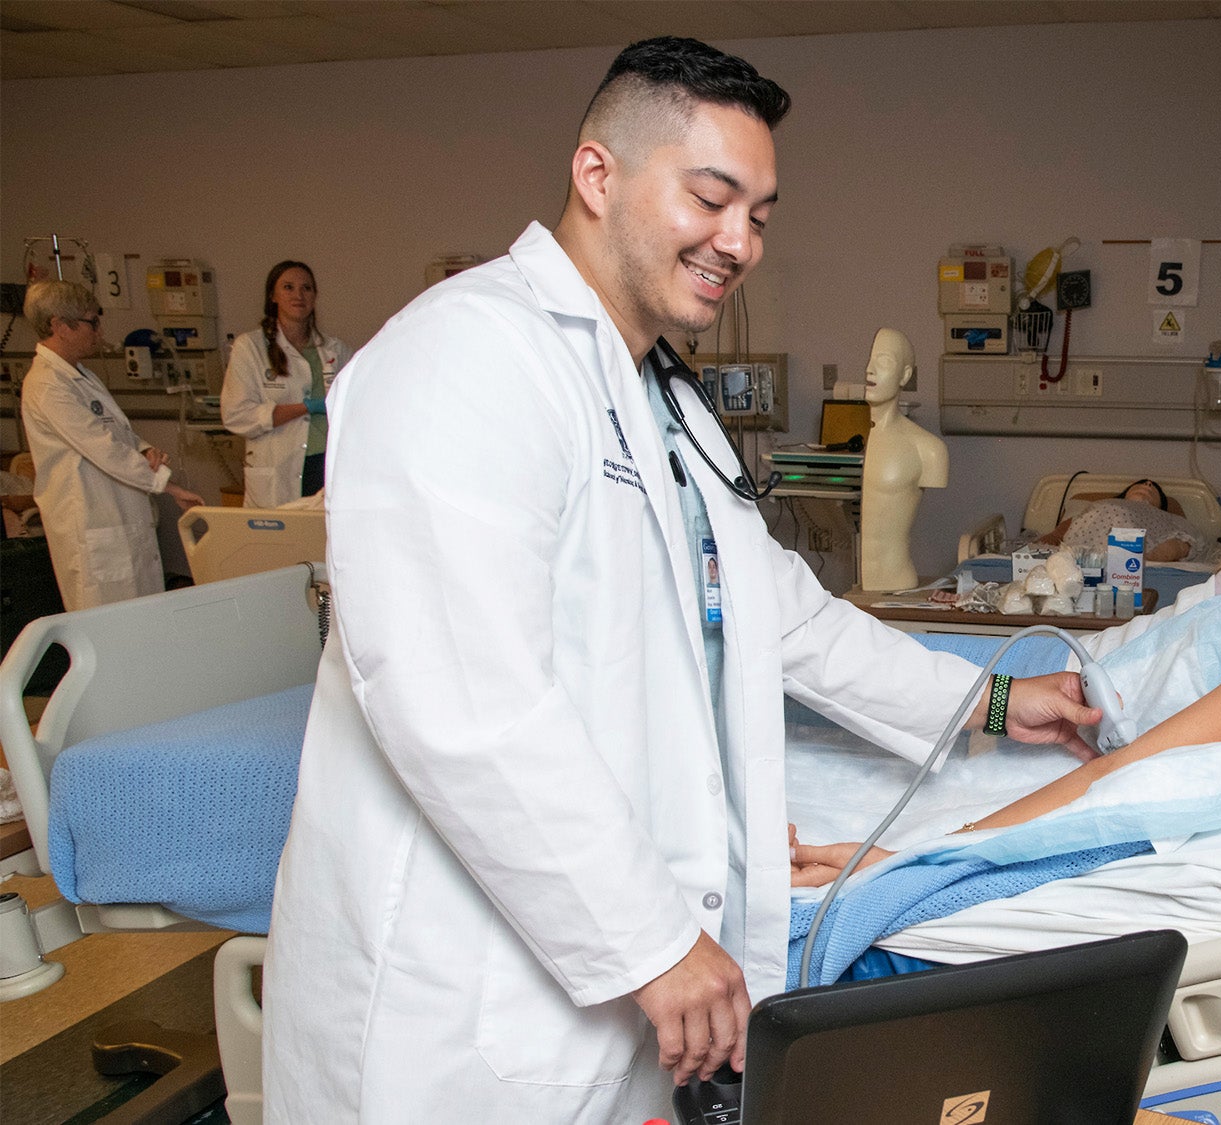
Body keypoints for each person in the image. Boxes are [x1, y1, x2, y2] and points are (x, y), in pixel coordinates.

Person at [261, 37, 1100, 1124]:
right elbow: (463, 701)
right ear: (596, 174)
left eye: (760, 214)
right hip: (460, 1010)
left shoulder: (662, 398)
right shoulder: (465, 359)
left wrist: (987, 698)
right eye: (710, 199)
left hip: (610, 1006)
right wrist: (651, 939)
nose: (739, 241)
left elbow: (782, 617)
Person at [795, 350, 1221, 882]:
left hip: (1079, 747)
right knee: (814, 669)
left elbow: (1136, 771)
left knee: (807, 732)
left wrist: (914, 860)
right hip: (1064, 699)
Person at [18, 280, 204, 610]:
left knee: (142, 618)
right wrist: (169, 487)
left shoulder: (82, 376)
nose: (100, 331)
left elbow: (117, 431)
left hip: (120, 517)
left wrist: (145, 450)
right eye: (92, 322)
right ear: (59, 326)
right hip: (91, 523)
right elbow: (103, 448)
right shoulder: (48, 384)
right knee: (109, 625)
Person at [221, 260, 349, 506]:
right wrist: (304, 408)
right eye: (288, 287)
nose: (298, 295)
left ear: (315, 296)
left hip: (325, 464)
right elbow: (236, 416)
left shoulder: (335, 349)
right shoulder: (250, 347)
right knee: (280, 530)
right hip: (277, 467)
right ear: (273, 296)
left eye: (306, 288)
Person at [857, 326, 946, 590]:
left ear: (905, 375)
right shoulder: (871, 439)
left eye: (883, 361)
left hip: (896, 581)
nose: (869, 370)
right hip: (864, 587)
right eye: (870, 360)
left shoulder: (928, 449)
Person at [1038, 477, 1210, 563]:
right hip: (1083, 556)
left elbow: (1185, 543)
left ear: (1161, 506)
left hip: (1138, 560)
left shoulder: (1168, 518)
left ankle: (1131, 559)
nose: (1148, 485)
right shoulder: (1098, 506)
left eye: (1154, 489)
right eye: (1141, 484)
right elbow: (1059, 534)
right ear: (1125, 494)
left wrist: (1148, 556)